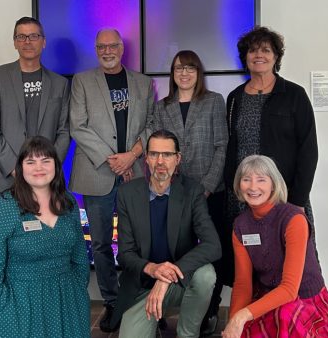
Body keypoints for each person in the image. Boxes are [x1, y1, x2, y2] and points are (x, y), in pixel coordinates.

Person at [69, 28, 154, 332]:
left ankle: (138, 299)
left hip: (136, 171)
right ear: (96, 49)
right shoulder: (81, 81)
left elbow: (153, 125)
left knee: (140, 241)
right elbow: (77, 126)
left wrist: (131, 156)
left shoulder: (143, 83)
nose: (107, 51)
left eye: (112, 45)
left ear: (122, 48)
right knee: (102, 242)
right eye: (101, 46)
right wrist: (115, 160)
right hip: (97, 173)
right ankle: (111, 302)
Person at [0, 136, 90, 338]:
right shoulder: (4, 209)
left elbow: (80, 258)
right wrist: (3, 310)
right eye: (30, 162)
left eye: (45, 161)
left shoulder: (69, 205)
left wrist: (76, 293)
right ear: (20, 169)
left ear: (56, 166)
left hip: (67, 305)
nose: (38, 167)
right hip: (20, 308)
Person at [224, 26, 319, 290]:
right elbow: (232, 147)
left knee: (293, 258)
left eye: (266, 50)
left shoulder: (294, 95)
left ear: (276, 57)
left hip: (286, 196)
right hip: (246, 195)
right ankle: (254, 315)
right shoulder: (235, 98)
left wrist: (298, 200)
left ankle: (298, 313)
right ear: (245, 57)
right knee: (250, 260)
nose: (259, 55)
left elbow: (309, 149)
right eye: (253, 50)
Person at [110, 129, 221, 337]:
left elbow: (213, 245)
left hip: (179, 283)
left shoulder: (192, 191)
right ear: (147, 158)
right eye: (154, 154)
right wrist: (152, 269)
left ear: (177, 158)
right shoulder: (127, 193)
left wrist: (168, 275)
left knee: (206, 274)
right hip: (142, 286)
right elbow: (124, 254)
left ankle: (187, 334)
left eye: (167, 155)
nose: (160, 161)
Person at [151, 50, 229, 335]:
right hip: (174, 191)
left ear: (199, 72)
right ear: (172, 74)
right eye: (178, 68)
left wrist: (207, 187)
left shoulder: (213, 102)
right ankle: (160, 306)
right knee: (171, 246)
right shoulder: (162, 106)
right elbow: (159, 150)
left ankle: (209, 310)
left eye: (190, 68)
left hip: (211, 190)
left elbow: (222, 146)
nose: (184, 73)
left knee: (212, 250)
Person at [221, 155, 328, 337]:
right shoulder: (240, 225)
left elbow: (290, 289)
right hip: (268, 296)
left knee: (286, 316)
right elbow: (243, 284)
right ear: (239, 185)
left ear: (273, 185)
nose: (253, 187)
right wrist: (234, 322)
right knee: (243, 327)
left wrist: (243, 315)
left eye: (261, 180)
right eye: (246, 179)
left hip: (303, 300)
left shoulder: (294, 219)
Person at [0, 16, 70, 205]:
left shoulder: (60, 84)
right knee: (4, 234)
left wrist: (46, 168)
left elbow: (64, 130)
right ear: (14, 42)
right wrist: (15, 168)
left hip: (45, 180)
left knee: (42, 234)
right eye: (21, 37)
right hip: (4, 177)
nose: (27, 42)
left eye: (33, 36)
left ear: (44, 42)